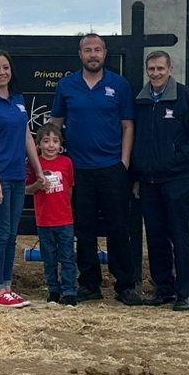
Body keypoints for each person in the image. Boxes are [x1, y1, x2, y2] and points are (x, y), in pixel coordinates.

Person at [49, 33, 143, 305]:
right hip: (78, 169)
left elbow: (128, 126)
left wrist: (123, 163)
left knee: (118, 227)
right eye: (88, 50)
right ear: (80, 54)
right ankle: (89, 284)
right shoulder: (67, 85)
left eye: (98, 50)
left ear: (105, 54)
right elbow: (55, 123)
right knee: (85, 229)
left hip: (112, 167)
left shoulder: (119, 84)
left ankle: (125, 285)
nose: (93, 55)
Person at [130, 50, 189, 311]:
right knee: (155, 237)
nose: (155, 73)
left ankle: (184, 292)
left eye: (160, 68)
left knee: (179, 235)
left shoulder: (184, 97)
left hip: (176, 179)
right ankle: (163, 289)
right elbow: (135, 140)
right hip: (147, 182)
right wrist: (136, 176)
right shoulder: (141, 101)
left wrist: (180, 158)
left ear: (170, 69)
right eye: (151, 69)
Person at [0, 49, 43, 308]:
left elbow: (27, 137)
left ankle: (7, 287)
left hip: (17, 177)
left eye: (5, 68)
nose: (2, 72)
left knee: (11, 234)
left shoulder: (18, 100)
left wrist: (37, 170)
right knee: (0, 234)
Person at [25, 123, 77, 306]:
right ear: (39, 144)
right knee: (49, 258)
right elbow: (27, 189)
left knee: (68, 256)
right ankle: (53, 290)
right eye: (46, 141)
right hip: (44, 220)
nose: (50, 145)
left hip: (64, 219)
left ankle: (69, 290)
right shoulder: (34, 163)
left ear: (60, 144)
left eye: (55, 141)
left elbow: (69, 189)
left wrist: (65, 209)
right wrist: (38, 186)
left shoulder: (66, 163)